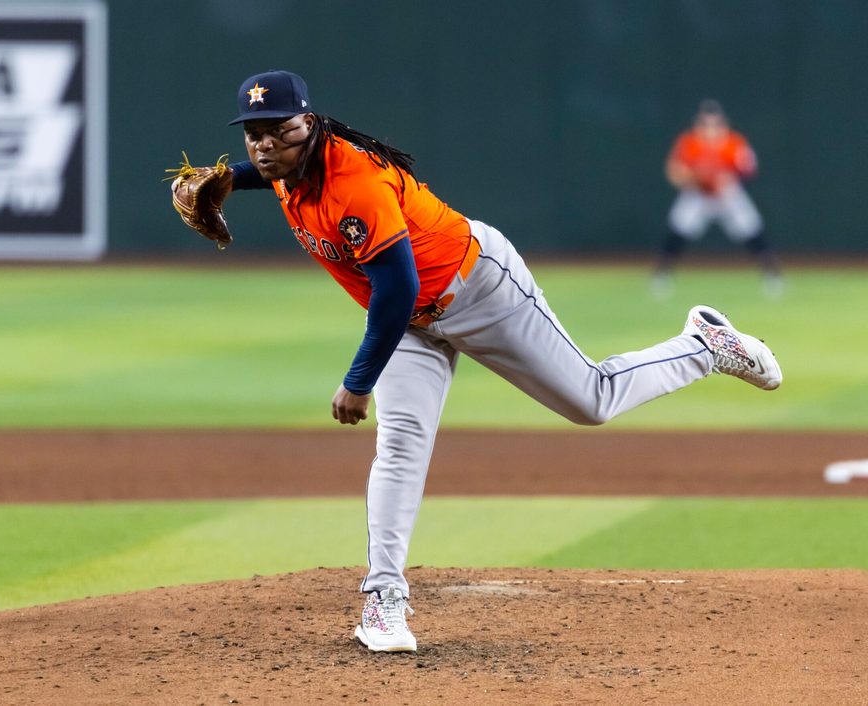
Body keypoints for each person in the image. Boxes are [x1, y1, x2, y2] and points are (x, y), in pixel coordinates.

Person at [179, 70, 782, 653]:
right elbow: (272, 175)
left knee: (591, 401)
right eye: (252, 131)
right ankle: (384, 596)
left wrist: (358, 382)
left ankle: (704, 346)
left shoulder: (354, 183)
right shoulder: (285, 165)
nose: (263, 143)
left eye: (277, 128)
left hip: (478, 291)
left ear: (308, 126)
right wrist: (230, 179)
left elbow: (393, 291)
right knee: (401, 445)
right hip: (414, 322)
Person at [654, 99, 783, 297]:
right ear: (698, 123)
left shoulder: (733, 142)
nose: (709, 127)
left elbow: (749, 169)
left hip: (727, 192)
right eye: (705, 123)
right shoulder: (690, 142)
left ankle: (772, 275)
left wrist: (729, 176)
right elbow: (674, 171)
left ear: (722, 123)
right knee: (679, 227)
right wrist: (692, 177)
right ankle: (661, 275)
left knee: (750, 227)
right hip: (698, 193)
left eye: (714, 122)